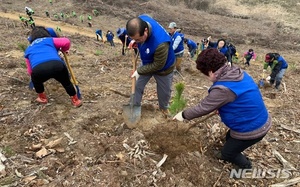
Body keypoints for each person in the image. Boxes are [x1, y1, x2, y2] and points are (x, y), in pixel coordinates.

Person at [173, 48, 271, 169]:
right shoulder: (237, 73)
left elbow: (203, 108)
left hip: (253, 128)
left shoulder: (223, 89)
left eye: (205, 74)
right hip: (259, 118)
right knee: (230, 138)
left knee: (229, 152)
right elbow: (240, 98)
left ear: (210, 71)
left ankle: (245, 165)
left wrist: (183, 115)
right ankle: (230, 150)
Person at [126, 14, 176, 117]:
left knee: (164, 95)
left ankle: (163, 110)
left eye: (138, 39)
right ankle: (133, 109)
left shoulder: (161, 43)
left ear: (145, 31)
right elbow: (136, 36)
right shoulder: (141, 20)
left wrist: (139, 71)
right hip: (147, 62)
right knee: (137, 86)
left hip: (164, 68)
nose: (137, 41)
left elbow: (157, 65)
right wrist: (133, 41)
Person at [24, 26, 82, 107]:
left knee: (36, 80)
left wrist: (34, 77)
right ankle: (75, 100)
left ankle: (42, 98)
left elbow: (30, 70)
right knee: (66, 82)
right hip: (57, 65)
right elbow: (66, 42)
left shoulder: (28, 49)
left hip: (39, 69)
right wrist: (64, 49)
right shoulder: (49, 40)